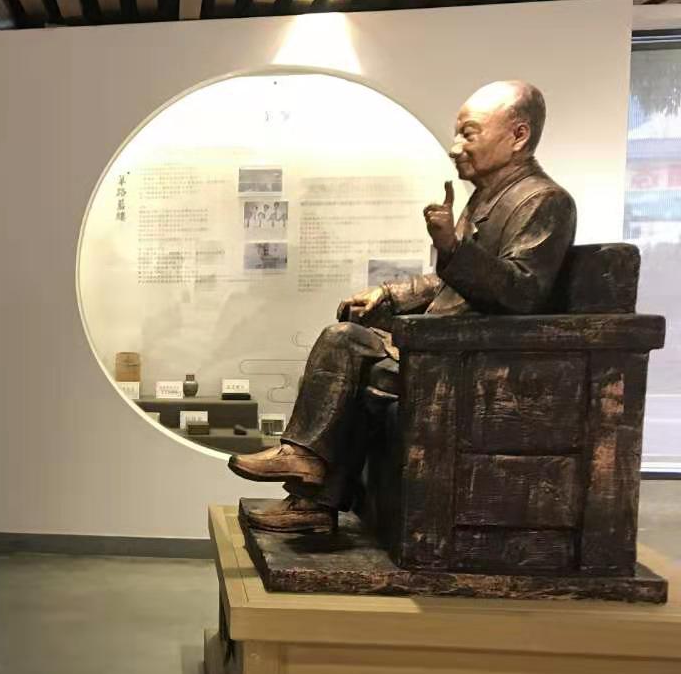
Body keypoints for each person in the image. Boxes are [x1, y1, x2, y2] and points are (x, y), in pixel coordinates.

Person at [229, 81, 576, 531]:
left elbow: (521, 291)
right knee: (347, 342)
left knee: (345, 343)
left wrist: (453, 247)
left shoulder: (544, 201)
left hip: (477, 361)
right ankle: (310, 491)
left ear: (518, 135)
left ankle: (306, 471)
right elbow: (449, 281)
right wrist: (390, 295)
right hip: (442, 345)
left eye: (469, 134)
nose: (455, 147)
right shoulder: (488, 198)